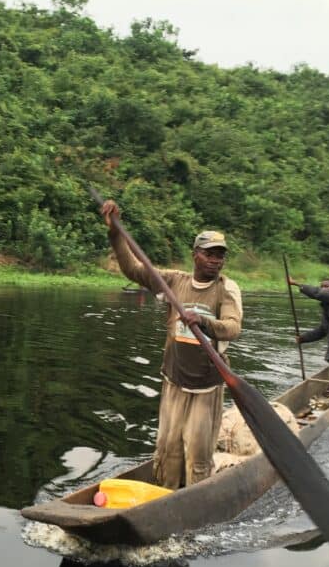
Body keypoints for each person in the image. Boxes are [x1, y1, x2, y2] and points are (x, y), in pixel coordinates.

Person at [101, 199, 243, 489]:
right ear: (195, 255)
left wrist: (204, 322)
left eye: (220, 256)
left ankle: (197, 504)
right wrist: (115, 232)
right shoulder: (172, 282)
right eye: (210, 254)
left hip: (207, 384)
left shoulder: (226, 289)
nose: (216, 260)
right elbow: (132, 269)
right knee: (167, 451)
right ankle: (164, 498)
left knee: (198, 455)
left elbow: (232, 328)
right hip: (174, 378)